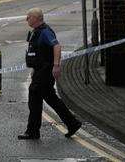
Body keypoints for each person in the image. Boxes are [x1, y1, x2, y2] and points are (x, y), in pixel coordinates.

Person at [18, 8, 81, 140]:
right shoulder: (37, 31)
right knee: (51, 98)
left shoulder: (45, 32)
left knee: (34, 98)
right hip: (40, 71)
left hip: (45, 72)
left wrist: (56, 65)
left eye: (28, 16)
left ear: (35, 18)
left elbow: (56, 46)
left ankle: (32, 131)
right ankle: (72, 123)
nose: (26, 19)